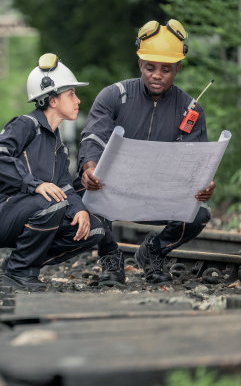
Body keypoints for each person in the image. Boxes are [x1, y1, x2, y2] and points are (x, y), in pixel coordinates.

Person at [77, 19, 216, 286]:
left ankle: (153, 251)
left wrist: (203, 184)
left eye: (166, 69)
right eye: (150, 67)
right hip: (113, 190)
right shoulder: (113, 96)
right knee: (85, 196)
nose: (157, 74)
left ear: (178, 68)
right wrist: (89, 168)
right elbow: (93, 137)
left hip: (161, 193)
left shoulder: (191, 110)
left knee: (199, 213)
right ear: (140, 64)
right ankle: (110, 257)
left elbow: (196, 161)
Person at [0, 53, 107, 292]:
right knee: (50, 202)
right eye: (71, 94)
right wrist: (33, 183)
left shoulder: (58, 146)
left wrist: (80, 211)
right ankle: (19, 271)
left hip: (32, 210)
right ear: (52, 99)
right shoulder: (25, 125)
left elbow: (65, 186)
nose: (78, 100)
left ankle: (19, 266)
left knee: (94, 229)